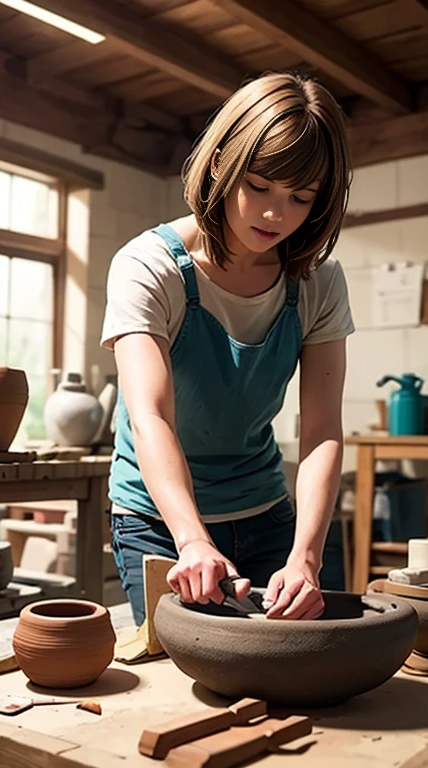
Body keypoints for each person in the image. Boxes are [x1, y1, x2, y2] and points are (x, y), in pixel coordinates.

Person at [101, 70, 354, 627]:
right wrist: (191, 540)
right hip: (158, 519)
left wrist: (306, 558)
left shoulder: (317, 281)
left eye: (300, 198)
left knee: (289, 660)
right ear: (221, 163)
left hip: (265, 511)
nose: (275, 214)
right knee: (189, 673)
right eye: (259, 186)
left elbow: (321, 432)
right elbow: (150, 416)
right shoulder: (150, 267)